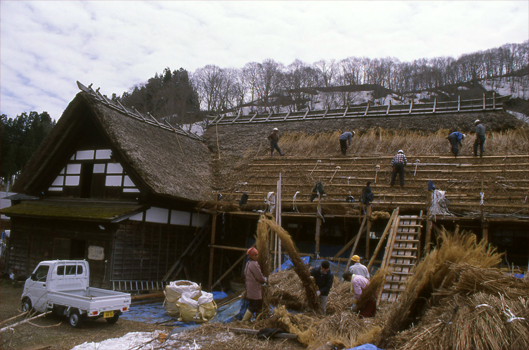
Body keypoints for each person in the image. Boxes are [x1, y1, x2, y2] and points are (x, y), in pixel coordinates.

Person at [242, 247, 267, 323]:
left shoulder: (248, 263)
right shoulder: (254, 264)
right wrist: (266, 280)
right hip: (254, 287)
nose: (257, 256)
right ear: (251, 256)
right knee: (255, 304)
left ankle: (248, 321)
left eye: (257, 255)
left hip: (250, 287)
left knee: (252, 303)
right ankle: (245, 320)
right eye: (255, 255)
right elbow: (259, 277)